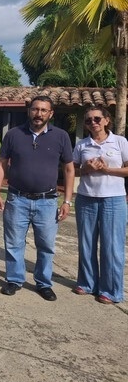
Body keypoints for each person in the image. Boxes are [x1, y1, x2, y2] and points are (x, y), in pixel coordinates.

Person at [0, 96, 74, 302]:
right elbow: (2, 164)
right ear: (29, 111)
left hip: (47, 201)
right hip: (17, 199)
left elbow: (68, 169)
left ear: (50, 114)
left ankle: (44, 283)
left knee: (46, 245)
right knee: (13, 242)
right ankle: (14, 279)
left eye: (44, 110)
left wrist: (67, 201)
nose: (39, 114)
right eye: (35, 109)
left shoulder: (61, 136)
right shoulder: (13, 134)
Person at [72, 106, 128, 304]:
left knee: (112, 246)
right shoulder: (82, 145)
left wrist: (108, 170)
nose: (93, 123)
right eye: (88, 120)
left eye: (97, 119)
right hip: (86, 198)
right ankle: (87, 283)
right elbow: (72, 171)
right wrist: (85, 169)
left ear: (106, 120)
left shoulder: (120, 142)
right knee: (86, 243)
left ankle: (111, 290)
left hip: (113, 199)